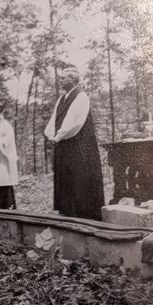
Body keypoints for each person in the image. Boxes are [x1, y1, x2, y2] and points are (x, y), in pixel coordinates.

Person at [44, 67, 104, 220]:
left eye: (63, 78)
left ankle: (83, 213)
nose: (60, 80)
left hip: (80, 145)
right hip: (64, 143)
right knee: (65, 175)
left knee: (79, 175)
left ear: (72, 80)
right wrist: (50, 134)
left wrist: (58, 136)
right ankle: (67, 210)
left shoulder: (81, 97)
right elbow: (53, 120)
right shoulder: (61, 99)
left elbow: (74, 123)